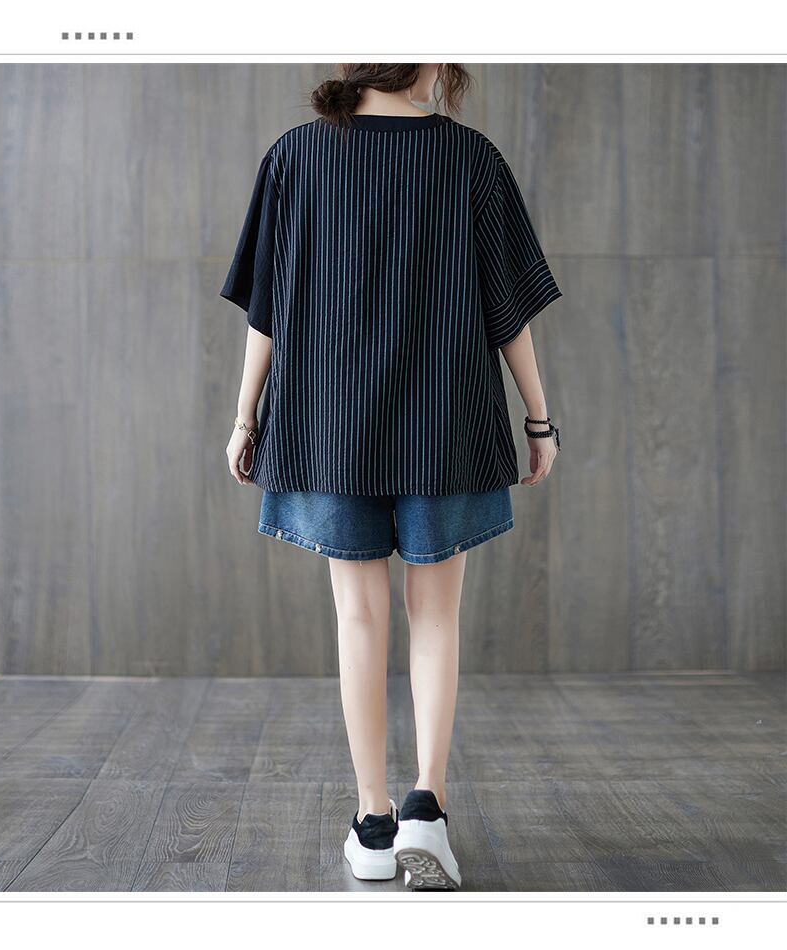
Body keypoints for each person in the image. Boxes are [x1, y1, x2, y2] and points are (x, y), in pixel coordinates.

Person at [220, 63, 562, 891]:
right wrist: (538, 418)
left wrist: (245, 416)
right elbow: (507, 309)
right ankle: (426, 810)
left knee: (359, 616)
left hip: (329, 423)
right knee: (435, 614)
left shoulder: (295, 156)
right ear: (431, 60)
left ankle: (373, 822)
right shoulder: (471, 159)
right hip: (445, 420)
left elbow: (269, 306)